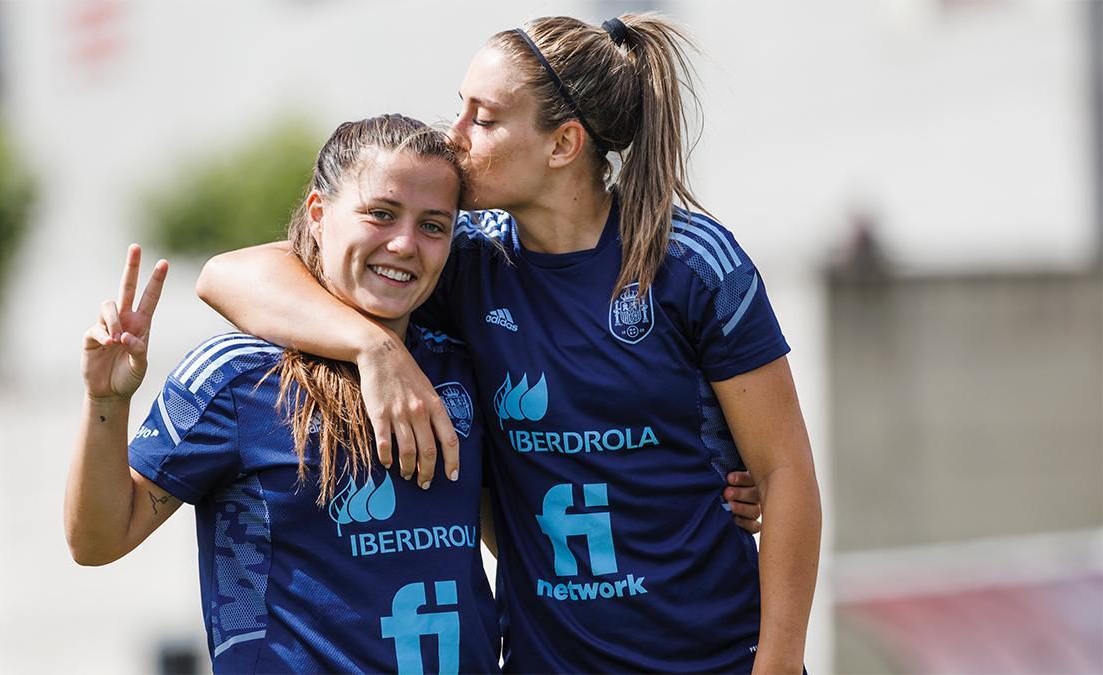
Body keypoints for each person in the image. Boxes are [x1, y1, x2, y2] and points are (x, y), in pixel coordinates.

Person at [197, 13, 821, 674]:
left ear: (564, 144)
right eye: (459, 108)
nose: (453, 134)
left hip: (719, 658)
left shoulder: (691, 265)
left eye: (483, 118)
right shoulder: (464, 258)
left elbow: (785, 474)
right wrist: (369, 347)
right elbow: (230, 274)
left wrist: (777, 665)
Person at [64, 114, 502, 673]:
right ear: (318, 215)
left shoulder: (460, 366)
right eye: (381, 214)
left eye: (433, 226)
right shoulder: (237, 375)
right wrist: (105, 402)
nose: (404, 244)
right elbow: (96, 541)